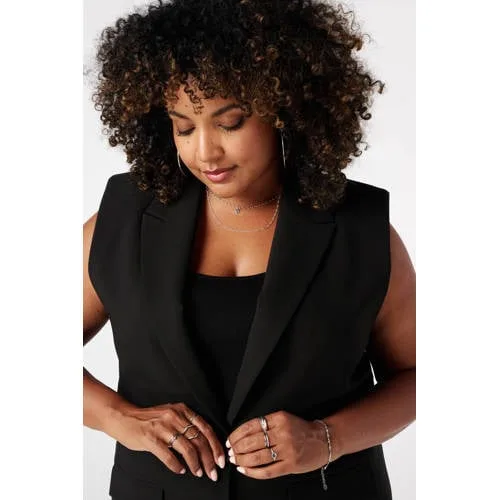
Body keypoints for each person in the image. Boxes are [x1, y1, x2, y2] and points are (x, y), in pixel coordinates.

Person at [83, 0, 416, 498]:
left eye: (231, 122)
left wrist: (327, 439)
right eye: (184, 126)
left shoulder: (360, 231)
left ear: (284, 110)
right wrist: (119, 417)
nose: (205, 152)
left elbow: (418, 376)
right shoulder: (123, 220)